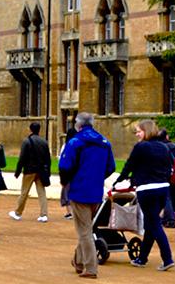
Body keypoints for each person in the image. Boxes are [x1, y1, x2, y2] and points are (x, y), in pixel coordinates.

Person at [58, 111, 116, 279]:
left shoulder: (75, 142)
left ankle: (90, 268)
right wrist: (97, 177)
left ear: (78, 124)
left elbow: (65, 166)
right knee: (86, 227)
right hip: (95, 190)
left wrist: (65, 182)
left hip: (79, 190)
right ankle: (78, 261)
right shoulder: (104, 142)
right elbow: (111, 167)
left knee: (84, 231)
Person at [116, 119, 175, 271]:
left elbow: (129, 165)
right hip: (163, 188)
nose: (137, 134)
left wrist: (118, 181)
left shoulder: (141, 147)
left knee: (154, 223)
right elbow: (170, 167)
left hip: (147, 190)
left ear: (146, 131)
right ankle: (142, 258)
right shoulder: (164, 147)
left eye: (139, 131)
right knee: (150, 224)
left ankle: (167, 258)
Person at [10, 121, 51, 223]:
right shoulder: (44, 142)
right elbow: (48, 159)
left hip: (29, 170)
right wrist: (48, 172)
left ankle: (18, 213)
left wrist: (18, 171)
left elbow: (22, 158)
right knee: (42, 193)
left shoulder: (27, 141)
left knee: (24, 192)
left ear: (30, 129)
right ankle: (44, 214)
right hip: (40, 171)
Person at [157, 130, 175, 228]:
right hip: (169, 173)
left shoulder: (157, 147)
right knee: (167, 196)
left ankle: (169, 219)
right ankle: (167, 218)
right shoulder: (172, 147)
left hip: (159, 174)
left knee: (165, 197)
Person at [59, 127, 77, 219]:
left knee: (66, 192)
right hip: (76, 173)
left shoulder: (66, 146)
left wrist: (62, 177)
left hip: (68, 172)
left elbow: (62, 161)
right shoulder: (80, 145)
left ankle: (70, 212)